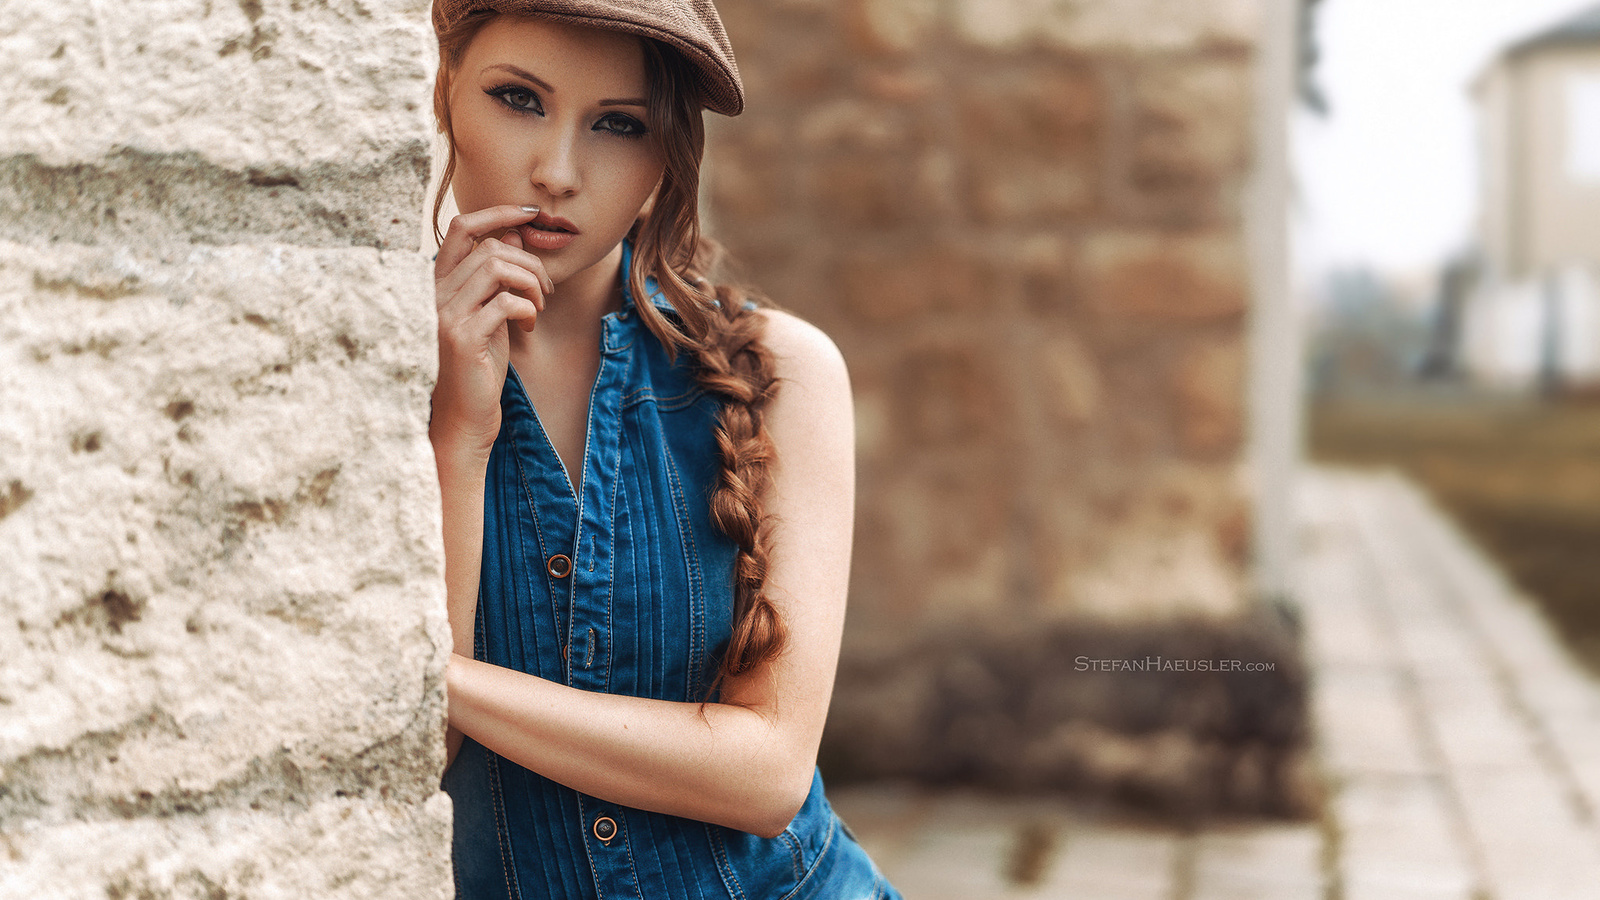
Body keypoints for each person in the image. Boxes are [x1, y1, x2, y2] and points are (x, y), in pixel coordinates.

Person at [426, 1, 901, 897]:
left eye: (618, 124)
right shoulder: (363, 378)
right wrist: (460, 436)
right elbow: (417, 758)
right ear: (447, 95)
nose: (558, 171)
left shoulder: (781, 375)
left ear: (663, 158)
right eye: (517, 99)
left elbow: (768, 775)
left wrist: (433, 679)